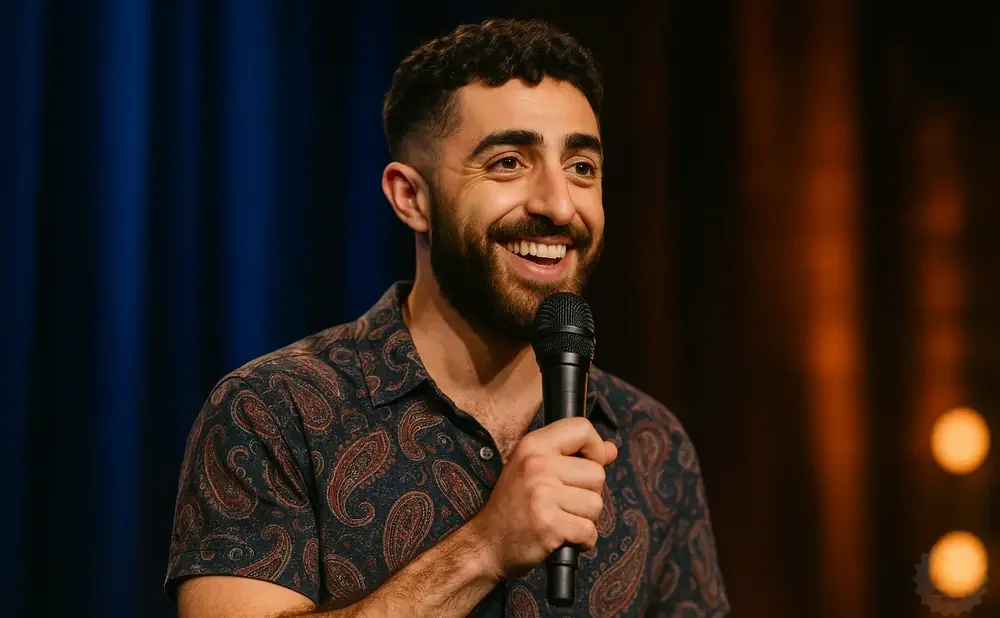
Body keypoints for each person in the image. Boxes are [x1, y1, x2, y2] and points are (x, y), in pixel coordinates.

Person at [165, 18, 729, 618]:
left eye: (581, 168)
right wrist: (483, 548)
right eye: (510, 162)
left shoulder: (649, 443)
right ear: (412, 197)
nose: (559, 204)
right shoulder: (275, 412)